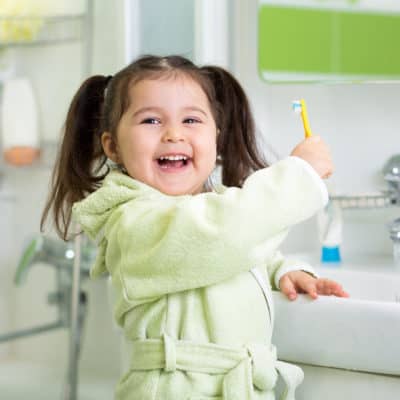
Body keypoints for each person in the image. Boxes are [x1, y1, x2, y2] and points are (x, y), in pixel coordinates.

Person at [41, 55, 348, 400]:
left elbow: (239, 248)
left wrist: (285, 272)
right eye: (151, 120)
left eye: (191, 119)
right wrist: (299, 175)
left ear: (215, 135)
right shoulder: (131, 222)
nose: (174, 133)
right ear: (112, 146)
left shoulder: (215, 209)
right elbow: (219, 236)